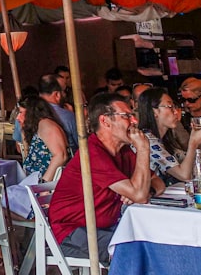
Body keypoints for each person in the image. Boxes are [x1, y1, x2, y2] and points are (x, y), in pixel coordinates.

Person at [48, 93, 151, 264]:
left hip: (107, 227)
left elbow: (156, 184)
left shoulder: (123, 151)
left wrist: (140, 190)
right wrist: (143, 149)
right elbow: (139, 194)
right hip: (73, 232)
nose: (134, 121)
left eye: (133, 115)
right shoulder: (92, 153)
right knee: (134, 254)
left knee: (153, 241)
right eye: (126, 116)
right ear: (105, 121)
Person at [136, 87, 201, 185]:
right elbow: (184, 175)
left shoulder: (167, 139)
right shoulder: (147, 141)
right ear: (154, 112)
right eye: (170, 107)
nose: (176, 112)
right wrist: (193, 143)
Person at [17, 95, 69, 183]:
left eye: (21, 112)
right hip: (35, 182)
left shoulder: (46, 124)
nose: (18, 117)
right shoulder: (41, 125)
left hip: (42, 185)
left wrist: (44, 183)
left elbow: (61, 155)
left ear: (31, 112)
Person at [39, 74, 79, 152]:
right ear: (57, 94)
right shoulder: (67, 116)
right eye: (63, 91)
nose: (65, 95)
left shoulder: (26, 112)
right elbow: (79, 143)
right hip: (66, 161)